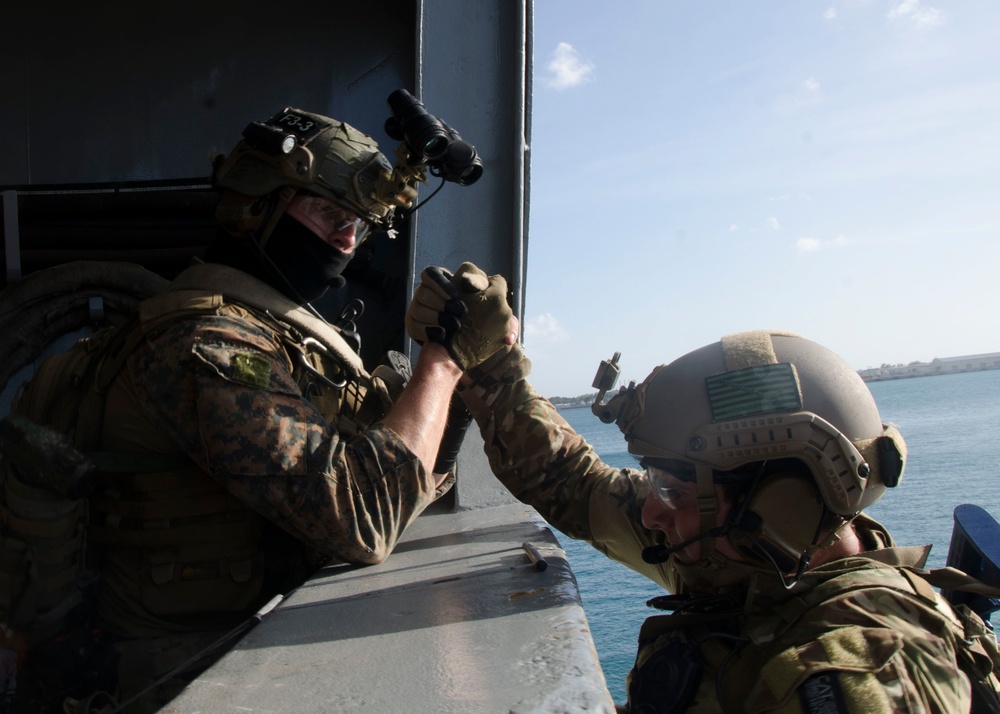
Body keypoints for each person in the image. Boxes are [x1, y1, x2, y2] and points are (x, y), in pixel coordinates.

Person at [0, 109, 513, 712]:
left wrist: (456, 365)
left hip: (248, 647)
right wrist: (442, 363)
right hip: (183, 676)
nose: (347, 240)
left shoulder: (271, 335)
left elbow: (406, 474)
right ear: (253, 207)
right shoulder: (207, 344)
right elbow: (363, 519)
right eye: (328, 213)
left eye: (358, 224)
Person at [404, 276, 1000, 713]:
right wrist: (487, 363)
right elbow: (576, 484)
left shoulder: (861, 673)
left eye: (675, 489)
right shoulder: (750, 565)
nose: (655, 510)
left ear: (780, 505)